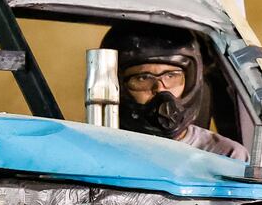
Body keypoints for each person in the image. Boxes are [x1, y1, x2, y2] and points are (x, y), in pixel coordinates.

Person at [99, 21, 245, 160]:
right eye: (143, 78)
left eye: (171, 76)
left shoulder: (228, 155)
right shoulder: (101, 150)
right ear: (118, 85)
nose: (160, 89)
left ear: (190, 81)